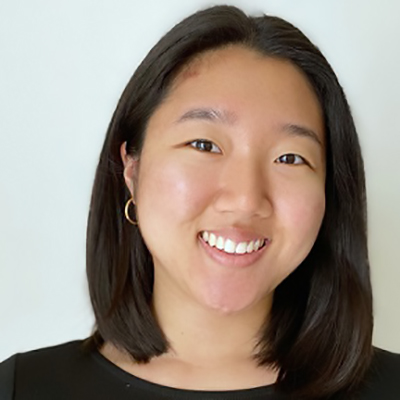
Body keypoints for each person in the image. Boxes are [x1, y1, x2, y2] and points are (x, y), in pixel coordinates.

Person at [1, 4, 399, 400]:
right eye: (204, 144)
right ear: (132, 170)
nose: (245, 199)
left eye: (290, 158)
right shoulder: (22, 388)